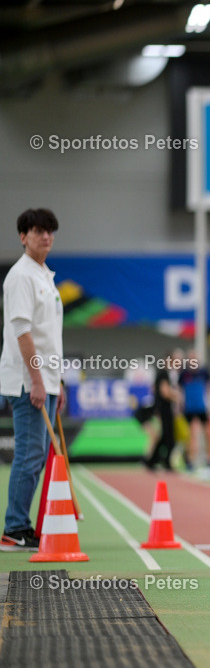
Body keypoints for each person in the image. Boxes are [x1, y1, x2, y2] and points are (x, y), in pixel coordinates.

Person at [0, 208, 65, 551]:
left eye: (50, 231)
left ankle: (22, 524)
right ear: (23, 236)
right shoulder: (21, 276)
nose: (46, 237)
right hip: (28, 381)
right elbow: (23, 332)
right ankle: (14, 528)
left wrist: (58, 382)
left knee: (38, 454)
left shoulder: (45, 276)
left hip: (46, 380)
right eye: (39, 231)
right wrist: (38, 381)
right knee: (29, 453)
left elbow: (50, 335)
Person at [144, 351, 181, 471]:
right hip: (164, 409)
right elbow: (164, 392)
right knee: (168, 436)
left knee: (166, 436)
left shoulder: (164, 374)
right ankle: (158, 461)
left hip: (163, 408)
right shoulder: (164, 373)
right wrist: (177, 396)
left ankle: (154, 460)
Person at [178, 347, 210, 470]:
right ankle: (191, 460)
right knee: (192, 434)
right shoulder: (184, 373)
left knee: (207, 432)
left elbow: (209, 388)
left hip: (202, 406)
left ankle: (209, 458)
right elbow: (180, 390)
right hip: (189, 407)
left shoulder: (204, 372)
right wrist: (181, 404)